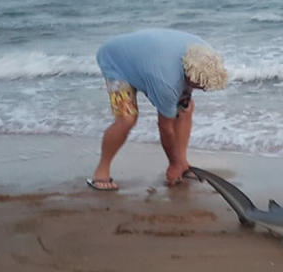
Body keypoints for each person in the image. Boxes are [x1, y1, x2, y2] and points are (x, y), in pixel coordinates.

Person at [87, 28, 228, 190]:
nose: (204, 89)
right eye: (201, 85)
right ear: (188, 75)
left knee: (185, 108)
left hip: (145, 58)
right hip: (115, 61)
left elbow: (183, 101)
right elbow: (165, 127)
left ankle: (183, 163)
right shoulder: (167, 82)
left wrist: (178, 163)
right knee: (127, 118)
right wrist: (172, 165)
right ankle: (101, 171)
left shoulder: (207, 55)